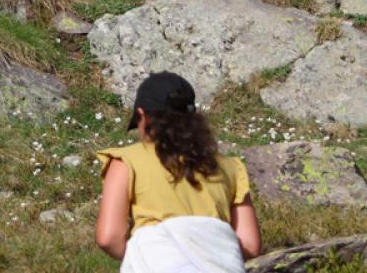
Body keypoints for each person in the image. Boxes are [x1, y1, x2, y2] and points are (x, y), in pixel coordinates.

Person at [95, 72, 261, 273]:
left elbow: (108, 236)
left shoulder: (126, 162)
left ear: (142, 114)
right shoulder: (230, 167)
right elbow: (250, 244)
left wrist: (146, 254)